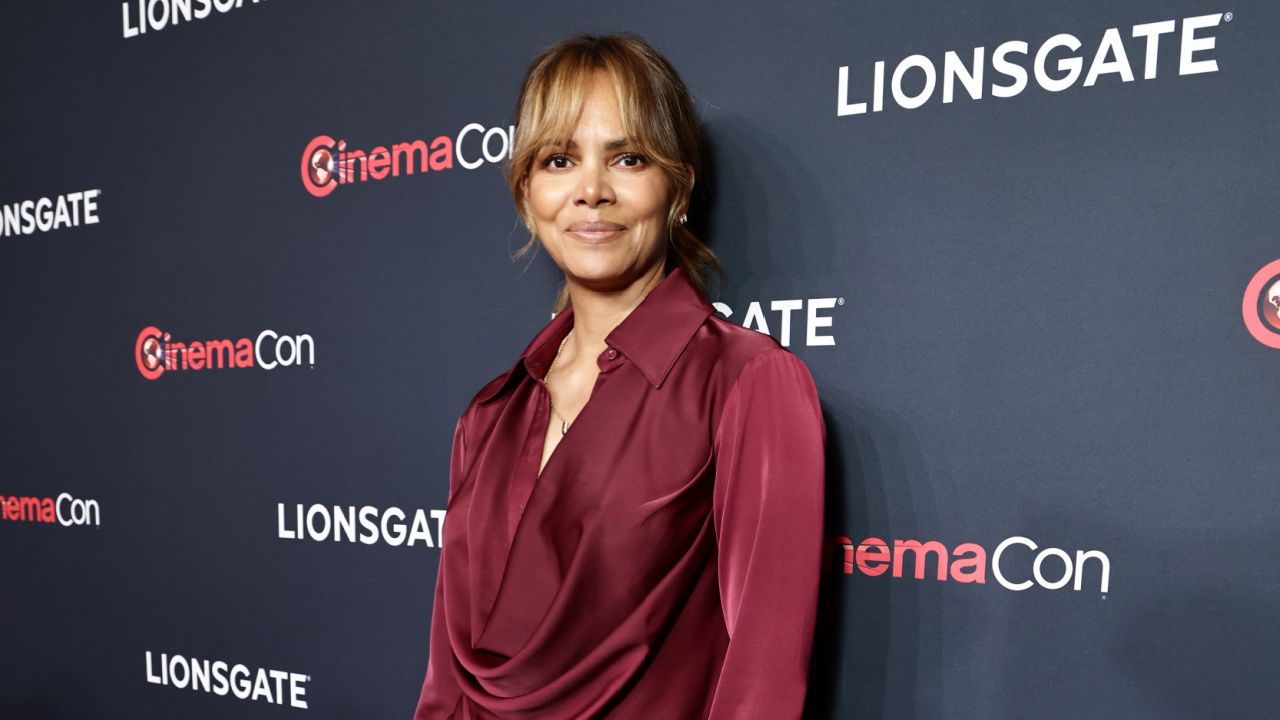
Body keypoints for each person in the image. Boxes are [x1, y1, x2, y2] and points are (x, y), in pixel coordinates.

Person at [412, 33, 826, 719]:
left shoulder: (748, 383)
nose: (591, 192)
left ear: (679, 189)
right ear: (526, 192)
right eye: (559, 159)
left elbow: (765, 682)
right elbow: (446, 685)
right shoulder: (489, 417)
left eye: (628, 158)